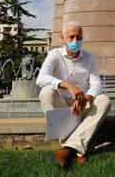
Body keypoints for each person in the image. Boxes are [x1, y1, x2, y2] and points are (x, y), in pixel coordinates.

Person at [36, 21, 111, 169]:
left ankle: (67, 148)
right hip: (62, 105)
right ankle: (74, 146)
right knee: (46, 92)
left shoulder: (89, 57)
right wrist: (68, 85)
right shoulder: (54, 54)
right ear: (63, 38)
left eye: (78, 37)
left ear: (82, 38)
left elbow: (97, 84)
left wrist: (86, 99)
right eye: (71, 37)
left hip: (81, 106)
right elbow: (41, 78)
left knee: (104, 100)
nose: (74, 41)